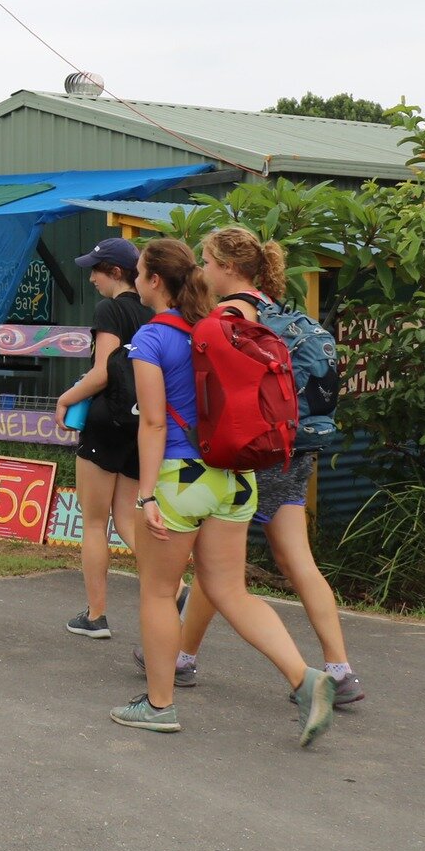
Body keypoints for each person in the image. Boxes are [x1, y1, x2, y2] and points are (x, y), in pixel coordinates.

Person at [111, 237, 336, 746]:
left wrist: (146, 494)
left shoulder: (153, 338)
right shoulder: (218, 327)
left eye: (140, 273)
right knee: (232, 592)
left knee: (159, 593)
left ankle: (159, 704)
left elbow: (151, 421)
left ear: (152, 281)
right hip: (236, 478)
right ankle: (306, 679)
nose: (136, 281)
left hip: (179, 479)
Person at [166, 227, 363, 703]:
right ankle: (340, 670)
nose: (203, 270)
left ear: (229, 268)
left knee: (217, 563)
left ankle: (181, 658)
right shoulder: (282, 315)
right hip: (297, 447)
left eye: (208, 262)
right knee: (296, 559)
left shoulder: (231, 317)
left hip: (256, 449)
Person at [55, 237, 150, 639]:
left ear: (115, 272)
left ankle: (96, 615)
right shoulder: (151, 310)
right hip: (140, 423)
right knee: (128, 518)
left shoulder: (109, 309)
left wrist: (64, 399)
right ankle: (175, 590)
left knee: (94, 523)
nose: (91, 277)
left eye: (96, 269)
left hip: (105, 420)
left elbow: (104, 371)